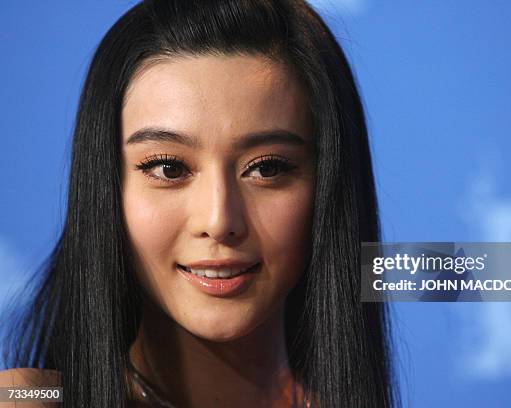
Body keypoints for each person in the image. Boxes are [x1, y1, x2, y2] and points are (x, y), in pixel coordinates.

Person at [0, 1, 397, 407]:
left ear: (328, 187)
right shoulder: (31, 397)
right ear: (105, 186)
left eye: (267, 169)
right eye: (169, 168)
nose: (218, 220)